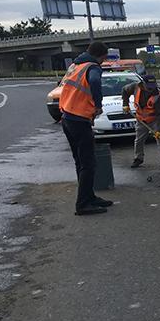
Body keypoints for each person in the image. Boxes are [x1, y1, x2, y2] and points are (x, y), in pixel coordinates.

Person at [58, 41, 113, 216]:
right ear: (101, 56)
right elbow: (95, 81)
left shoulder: (75, 66)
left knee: (81, 162)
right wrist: (97, 104)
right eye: (104, 59)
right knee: (88, 163)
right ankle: (82, 204)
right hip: (79, 120)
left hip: (67, 116)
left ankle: (89, 197)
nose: (103, 62)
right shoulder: (92, 67)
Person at [121, 75, 160, 171]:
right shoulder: (135, 87)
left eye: (153, 86)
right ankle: (138, 158)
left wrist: (158, 130)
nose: (151, 89)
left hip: (154, 119)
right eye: (149, 86)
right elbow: (124, 90)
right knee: (139, 140)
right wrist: (125, 104)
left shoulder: (158, 96)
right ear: (143, 84)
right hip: (141, 119)